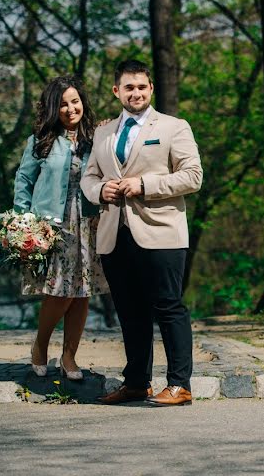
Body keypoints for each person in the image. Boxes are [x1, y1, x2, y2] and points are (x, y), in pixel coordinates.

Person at [81, 59, 203, 406]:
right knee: (130, 311)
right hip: (114, 233)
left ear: (152, 89)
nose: (136, 93)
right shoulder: (103, 132)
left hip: (161, 231)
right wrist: (99, 190)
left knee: (168, 307)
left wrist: (144, 184)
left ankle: (180, 384)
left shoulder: (174, 127)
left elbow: (193, 176)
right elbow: (88, 177)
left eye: (142, 87)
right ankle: (136, 382)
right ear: (116, 91)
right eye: (129, 87)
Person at [14, 75, 109, 381]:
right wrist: (23, 221)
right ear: (54, 108)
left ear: (83, 102)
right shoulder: (40, 139)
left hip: (89, 224)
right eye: (64, 104)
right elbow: (23, 181)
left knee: (82, 293)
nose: (71, 109)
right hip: (52, 226)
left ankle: (69, 357)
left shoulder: (96, 139)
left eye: (75, 101)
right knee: (59, 293)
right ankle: (40, 345)